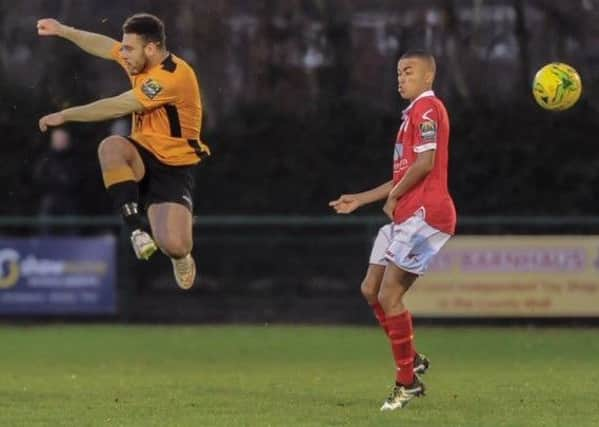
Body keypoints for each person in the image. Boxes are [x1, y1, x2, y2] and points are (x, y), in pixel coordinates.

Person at [37, 13, 210, 290]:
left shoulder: (173, 76)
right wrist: (62, 30)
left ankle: (182, 255)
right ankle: (135, 230)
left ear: (151, 49)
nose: (123, 53)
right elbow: (103, 45)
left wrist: (67, 115)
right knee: (111, 146)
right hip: (141, 152)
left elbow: (118, 105)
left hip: (174, 166)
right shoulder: (139, 60)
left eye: (129, 48)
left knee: (173, 245)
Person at [329, 50, 456, 411]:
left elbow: (426, 164)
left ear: (428, 77)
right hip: (407, 215)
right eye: (398, 73)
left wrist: (397, 196)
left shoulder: (428, 108)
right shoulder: (410, 116)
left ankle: (406, 382)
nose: (400, 78)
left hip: (426, 215)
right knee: (370, 289)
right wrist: (361, 198)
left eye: (408, 72)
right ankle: (411, 360)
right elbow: (404, 174)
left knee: (389, 295)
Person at [33, 128, 80, 231]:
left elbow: (79, 180)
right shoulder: (45, 160)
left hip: (70, 200)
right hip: (50, 198)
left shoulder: (75, 160)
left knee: (72, 225)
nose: (61, 142)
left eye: (63, 139)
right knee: (45, 220)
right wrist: (57, 182)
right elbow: (39, 180)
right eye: (58, 139)